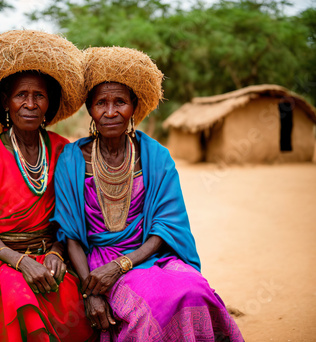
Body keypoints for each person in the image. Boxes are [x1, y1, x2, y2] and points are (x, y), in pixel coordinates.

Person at [52, 46, 244, 341]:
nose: (111, 111)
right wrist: (90, 291)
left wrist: (124, 264)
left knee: (195, 290)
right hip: (98, 264)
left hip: (150, 254)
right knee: (149, 309)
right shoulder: (71, 159)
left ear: (134, 106)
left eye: (121, 102)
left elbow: (166, 226)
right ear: (90, 108)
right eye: (101, 102)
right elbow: (71, 236)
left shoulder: (156, 156)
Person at [0, 30, 95, 342]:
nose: (30, 104)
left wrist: (58, 255)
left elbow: (72, 217)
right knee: (16, 291)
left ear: (50, 103)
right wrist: (19, 262)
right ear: (6, 102)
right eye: (21, 95)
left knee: (71, 300)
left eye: (39, 96)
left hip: (49, 254)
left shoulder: (64, 150)